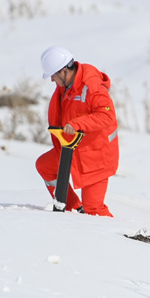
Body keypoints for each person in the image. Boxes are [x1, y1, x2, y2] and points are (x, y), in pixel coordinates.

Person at [35, 46, 119, 216]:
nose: (52, 80)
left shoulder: (92, 86)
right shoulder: (66, 86)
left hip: (95, 156)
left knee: (93, 209)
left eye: (53, 75)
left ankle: (114, 238)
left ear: (64, 70)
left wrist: (77, 124)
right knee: (45, 166)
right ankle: (73, 209)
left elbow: (107, 116)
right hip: (72, 149)